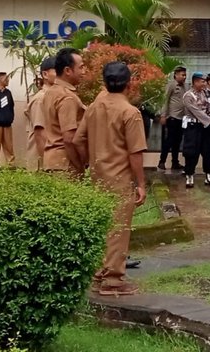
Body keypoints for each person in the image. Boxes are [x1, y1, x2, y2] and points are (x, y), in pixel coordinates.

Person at [76, 61, 147, 297]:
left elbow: (78, 140)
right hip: (119, 178)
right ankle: (113, 280)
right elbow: (135, 152)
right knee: (118, 229)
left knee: (102, 226)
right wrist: (141, 183)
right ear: (130, 83)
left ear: (104, 82)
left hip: (98, 177)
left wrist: (90, 162)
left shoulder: (93, 108)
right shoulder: (130, 112)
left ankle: (99, 274)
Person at [42, 48, 87, 175]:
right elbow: (69, 138)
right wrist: (79, 166)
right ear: (67, 70)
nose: (84, 72)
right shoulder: (67, 97)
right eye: (81, 67)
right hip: (65, 164)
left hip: (52, 162)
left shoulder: (50, 92)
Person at [180, 73, 210, 189]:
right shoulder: (188, 96)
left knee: (209, 151)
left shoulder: (205, 93)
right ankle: (189, 176)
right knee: (191, 152)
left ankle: (209, 175)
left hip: (206, 127)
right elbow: (196, 112)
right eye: (202, 81)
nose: (204, 84)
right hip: (193, 126)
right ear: (195, 82)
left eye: (205, 81)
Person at [23, 61, 54, 170]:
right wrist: (48, 165)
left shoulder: (54, 97)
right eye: (57, 71)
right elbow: (40, 133)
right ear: (45, 74)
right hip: (41, 163)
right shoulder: (40, 99)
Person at [157, 67, 188, 172]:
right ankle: (162, 162)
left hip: (182, 118)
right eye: (182, 75)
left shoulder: (185, 86)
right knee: (169, 140)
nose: (184, 77)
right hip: (172, 117)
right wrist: (163, 115)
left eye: (185, 75)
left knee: (178, 141)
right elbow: (165, 100)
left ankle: (175, 162)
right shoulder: (171, 85)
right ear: (176, 75)